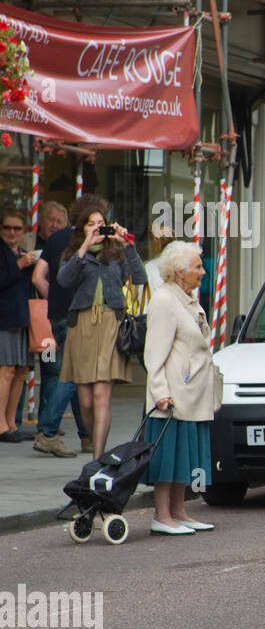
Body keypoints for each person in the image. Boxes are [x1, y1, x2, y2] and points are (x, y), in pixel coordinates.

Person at [56, 196, 147, 460]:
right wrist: (85, 246)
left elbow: (140, 277)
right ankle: (92, 440)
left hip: (110, 323)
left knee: (100, 396)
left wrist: (126, 244)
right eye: (91, 224)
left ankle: (97, 459)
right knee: (84, 401)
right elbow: (63, 280)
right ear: (81, 228)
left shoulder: (116, 253)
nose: (98, 228)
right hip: (82, 325)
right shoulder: (75, 253)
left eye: (101, 223)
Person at [143, 242, 217, 535]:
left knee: (185, 455)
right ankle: (162, 516)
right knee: (169, 455)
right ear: (179, 272)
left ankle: (179, 512)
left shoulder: (186, 298)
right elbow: (154, 353)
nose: (203, 271)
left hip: (192, 393)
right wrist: (160, 392)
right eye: (198, 266)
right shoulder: (164, 300)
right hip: (173, 395)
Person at [31, 200, 90, 457]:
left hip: (56, 315)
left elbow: (37, 277)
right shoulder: (85, 240)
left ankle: (87, 435)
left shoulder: (54, 241)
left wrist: (53, 297)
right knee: (71, 375)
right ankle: (47, 431)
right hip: (77, 315)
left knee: (73, 373)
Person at [0, 208, 37, 441]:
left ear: (24, 231)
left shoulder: (23, 252)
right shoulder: (7, 254)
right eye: (7, 227)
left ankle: (12, 421)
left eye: (17, 228)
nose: (12, 232)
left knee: (21, 371)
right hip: (4, 319)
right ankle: (1, 424)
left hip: (23, 318)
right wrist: (20, 265)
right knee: (5, 370)